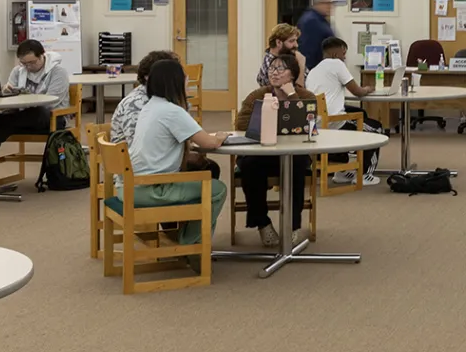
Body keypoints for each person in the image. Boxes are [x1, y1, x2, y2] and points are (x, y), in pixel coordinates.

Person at [126, 60, 231, 255]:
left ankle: (188, 238)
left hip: (131, 185)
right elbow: (209, 143)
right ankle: (190, 245)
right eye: (184, 76)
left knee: (203, 172)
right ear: (174, 81)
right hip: (153, 188)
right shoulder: (172, 111)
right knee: (217, 190)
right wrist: (221, 136)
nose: (187, 79)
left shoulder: (151, 106)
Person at [0, 39, 71, 191]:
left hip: (52, 120)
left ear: (42, 56)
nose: (28, 67)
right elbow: (11, 102)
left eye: (32, 62)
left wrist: (23, 99)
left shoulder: (57, 72)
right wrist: (6, 93)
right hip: (19, 118)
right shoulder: (18, 71)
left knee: (32, 112)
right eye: (24, 63)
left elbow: (52, 102)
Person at [233, 55, 315, 246]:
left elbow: (308, 124)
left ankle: (293, 226)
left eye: (281, 69)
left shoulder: (306, 96)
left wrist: (292, 97)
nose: (274, 73)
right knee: (249, 165)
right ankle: (262, 223)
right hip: (262, 152)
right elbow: (241, 124)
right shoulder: (258, 95)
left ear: (293, 74)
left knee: (297, 163)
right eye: (272, 68)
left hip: (293, 153)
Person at [305, 38, 386, 186]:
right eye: (344, 53)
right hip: (333, 122)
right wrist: (368, 88)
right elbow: (358, 92)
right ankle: (365, 174)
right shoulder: (337, 64)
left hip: (314, 124)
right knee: (376, 129)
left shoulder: (314, 70)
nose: (345, 57)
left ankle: (342, 171)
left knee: (361, 113)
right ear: (336, 54)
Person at [109, 50, 180, 145]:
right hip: (129, 157)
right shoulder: (136, 104)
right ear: (148, 76)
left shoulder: (160, 98)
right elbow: (137, 144)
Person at [258, 24, 308, 89]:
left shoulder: (291, 57)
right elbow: (296, 93)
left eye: (296, 41)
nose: (296, 45)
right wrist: (301, 65)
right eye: (291, 41)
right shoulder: (270, 65)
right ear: (278, 42)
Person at [297, 0, 336, 69]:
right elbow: (309, 51)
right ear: (318, 4)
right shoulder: (311, 21)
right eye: (327, 3)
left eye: (331, 3)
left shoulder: (321, 20)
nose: (330, 7)